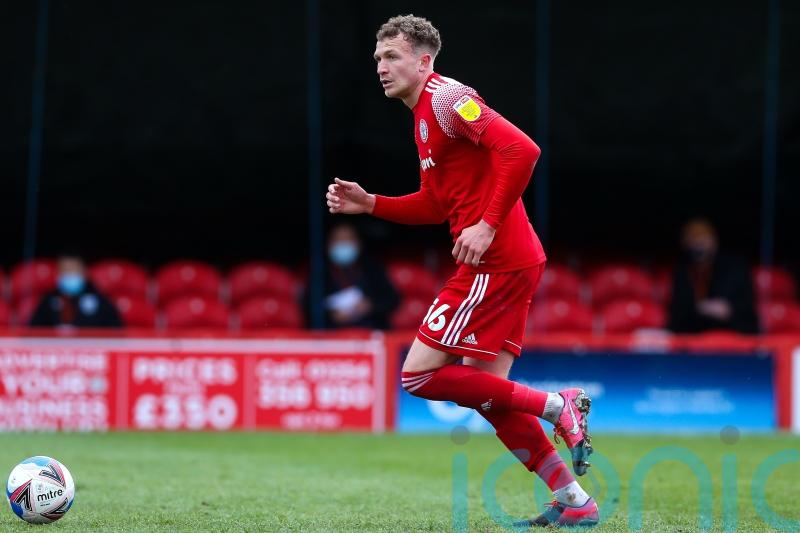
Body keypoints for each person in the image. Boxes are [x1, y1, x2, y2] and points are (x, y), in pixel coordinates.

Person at [325, 15, 598, 527]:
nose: (381, 68)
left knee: (418, 375)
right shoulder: (422, 115)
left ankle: (557, 405)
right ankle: (575, 501)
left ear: (424, 61)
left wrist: (488, 225)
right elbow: (436, 203)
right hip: (509, 259)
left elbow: (523, 149)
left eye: (392, 57)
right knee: (489, 396)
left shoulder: (448, 98)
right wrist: (372, 204)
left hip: (494, 260)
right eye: (378, 59)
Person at [668, 218, 759, 334]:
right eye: (693, 238)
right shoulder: (682, 271)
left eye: (703, 238)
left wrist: (728, 310)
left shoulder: (734, 268)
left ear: (714, 241)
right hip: (695, 332)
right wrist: (699, 308)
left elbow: (746, 308)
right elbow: (678, 314)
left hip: (732, 330)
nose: (698, 243)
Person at [320, 222, 399, 329]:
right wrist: (331, 314)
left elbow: (392, 299)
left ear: (359, 243)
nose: (343, 244)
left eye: (348, 239)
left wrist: (370, 306)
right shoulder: (320, 273)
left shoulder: (372, 269)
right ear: (328, 245)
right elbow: (309, 307)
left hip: (371, 332)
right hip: (333, 336)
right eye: (338, 240)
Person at [29, 254, 122, 329]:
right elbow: (33, 330)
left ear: (84, 271)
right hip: (56, 348)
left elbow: (116, 329)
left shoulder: (99, 298)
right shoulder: (49, 298)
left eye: (73, 269)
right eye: (65, 270)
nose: (69, 274)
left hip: (91, 347)